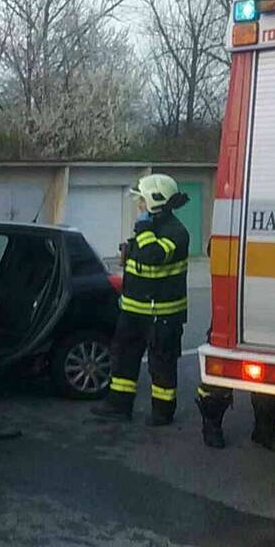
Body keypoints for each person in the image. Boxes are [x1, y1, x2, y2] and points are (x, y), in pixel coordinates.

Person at [93, 174, 190, 425]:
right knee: (123, 359)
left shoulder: (176, 232)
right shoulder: (151, 228)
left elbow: (152, 255)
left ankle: (162, 412)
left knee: (162, 364)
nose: (139, 206)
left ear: (154, 201)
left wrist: (143, 229)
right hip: (134, 310)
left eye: (142, 201)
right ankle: (119, 405)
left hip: (162, 314)